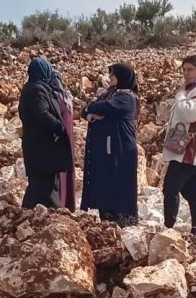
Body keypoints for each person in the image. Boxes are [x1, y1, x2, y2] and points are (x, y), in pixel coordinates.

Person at [161, 55, 196, 237]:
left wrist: (180, 95)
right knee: (192, 190)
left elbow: (189, 113)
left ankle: (169, 228)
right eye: (184, 70)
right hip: (185, 148)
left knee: (171, 187)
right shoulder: (193, 89)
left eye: (190, 69)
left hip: (189, 150)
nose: (186, 73)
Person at [81, 63, 140, 227]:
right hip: (106, 152)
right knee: (105, 186)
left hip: (119, 151)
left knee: (119, 187)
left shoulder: (126, 97)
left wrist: (94, 111)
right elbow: (86, 109)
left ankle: (124, 225)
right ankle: (108, 224)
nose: (110, 77)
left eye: (113, 74)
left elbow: (102, 107)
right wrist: (92, 114)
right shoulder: (109, 93)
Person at [18, 57, 74, 209]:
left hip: (40, 147)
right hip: (42, 147)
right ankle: (40, 215)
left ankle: (35, 215)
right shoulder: (37, 89)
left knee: (44, 185)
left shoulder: (35, 88)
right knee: (42, 185)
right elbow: (42, 113)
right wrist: (59, 127)